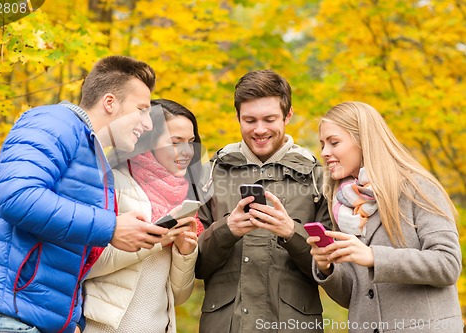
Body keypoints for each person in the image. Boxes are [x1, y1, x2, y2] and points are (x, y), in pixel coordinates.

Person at [0, 56, 170, 333]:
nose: (148, 124)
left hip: (34, 320)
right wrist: (110, 227)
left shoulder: (94, 156)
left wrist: (71, 320)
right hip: (5, 317)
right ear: (110, 102)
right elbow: (18, 196)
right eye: (142, 109)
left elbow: (62, 249)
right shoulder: (53, 121)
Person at [195, 69, 332, 333]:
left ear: (288, 115)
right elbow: (194, 265)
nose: (259, 130)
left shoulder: (318, 178)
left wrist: (291, 233)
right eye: (249, 120)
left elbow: (330, 270)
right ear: (237, 117)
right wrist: (228, 230)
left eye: (269, 119)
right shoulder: (210, 174)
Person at [308, 101, 462, 332]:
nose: (324, 152)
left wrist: (373, 256)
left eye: (334, 142)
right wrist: (327, 267)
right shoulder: (343, 205)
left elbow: (448, 264)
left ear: (364, 141)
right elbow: (353, 295)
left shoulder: (417, 188)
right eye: (322, 144)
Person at [82, 99, 205, 333]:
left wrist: (185, 253)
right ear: (147, 143)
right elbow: (87, 265)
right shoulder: (112, 184)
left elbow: (178, 296)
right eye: (175, 142)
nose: (187, 151)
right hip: (105, 328)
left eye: (190, 142)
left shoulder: (183, 198)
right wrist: (156, 239)